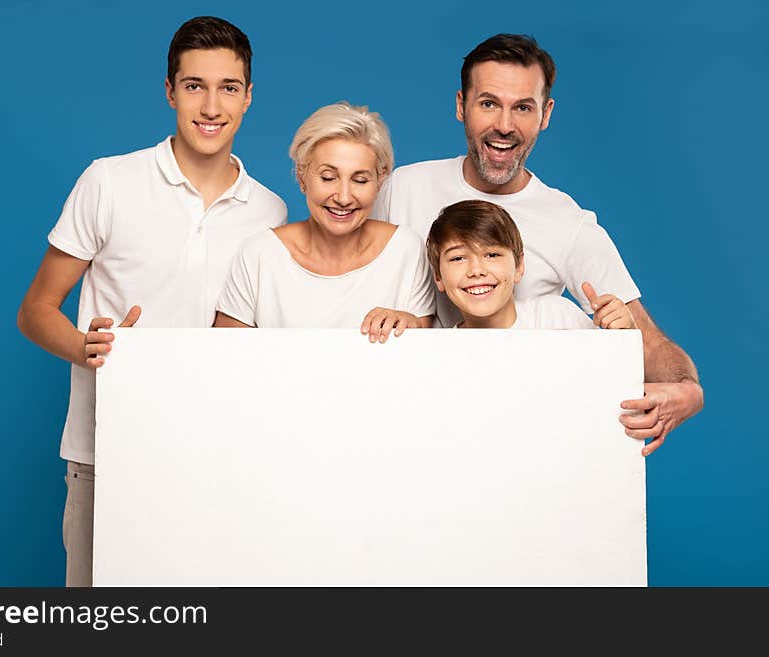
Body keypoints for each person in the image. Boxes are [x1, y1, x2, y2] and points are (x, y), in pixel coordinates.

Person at [16, 16, 287, 586]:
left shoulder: (270, 212)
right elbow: (37, 309)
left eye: (228, 88)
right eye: (194, 86)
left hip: (215, 457)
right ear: (170, 91)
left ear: (248, 97)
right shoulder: (108, 181)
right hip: (105, 452)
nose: (211, 106)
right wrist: (88, 347)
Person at [372, 34, 702, 454]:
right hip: (414, 426)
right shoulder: (403, 188)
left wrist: (687, 390)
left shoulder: (568, 223)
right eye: (488, 103)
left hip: (516, 436)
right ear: (461, 106)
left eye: (522, 107)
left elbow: (642, 335)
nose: (505, 126)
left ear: (545, 114)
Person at [214, 102, 435, 340]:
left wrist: (410, 326)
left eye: (360, 180)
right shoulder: (259, 255)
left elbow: (421, 360)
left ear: (379, 183)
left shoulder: (406, 251)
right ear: (302, 177)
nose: (343, 197)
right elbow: (227, 357)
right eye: (328, 177)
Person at [428, 200, 636, 330]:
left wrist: (622, 336)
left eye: (492, 254)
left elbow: (609, 378)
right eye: (457, 258)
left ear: (519, 266)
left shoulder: (556, 318)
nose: (476, 271)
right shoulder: (444, 352)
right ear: (438, 276)